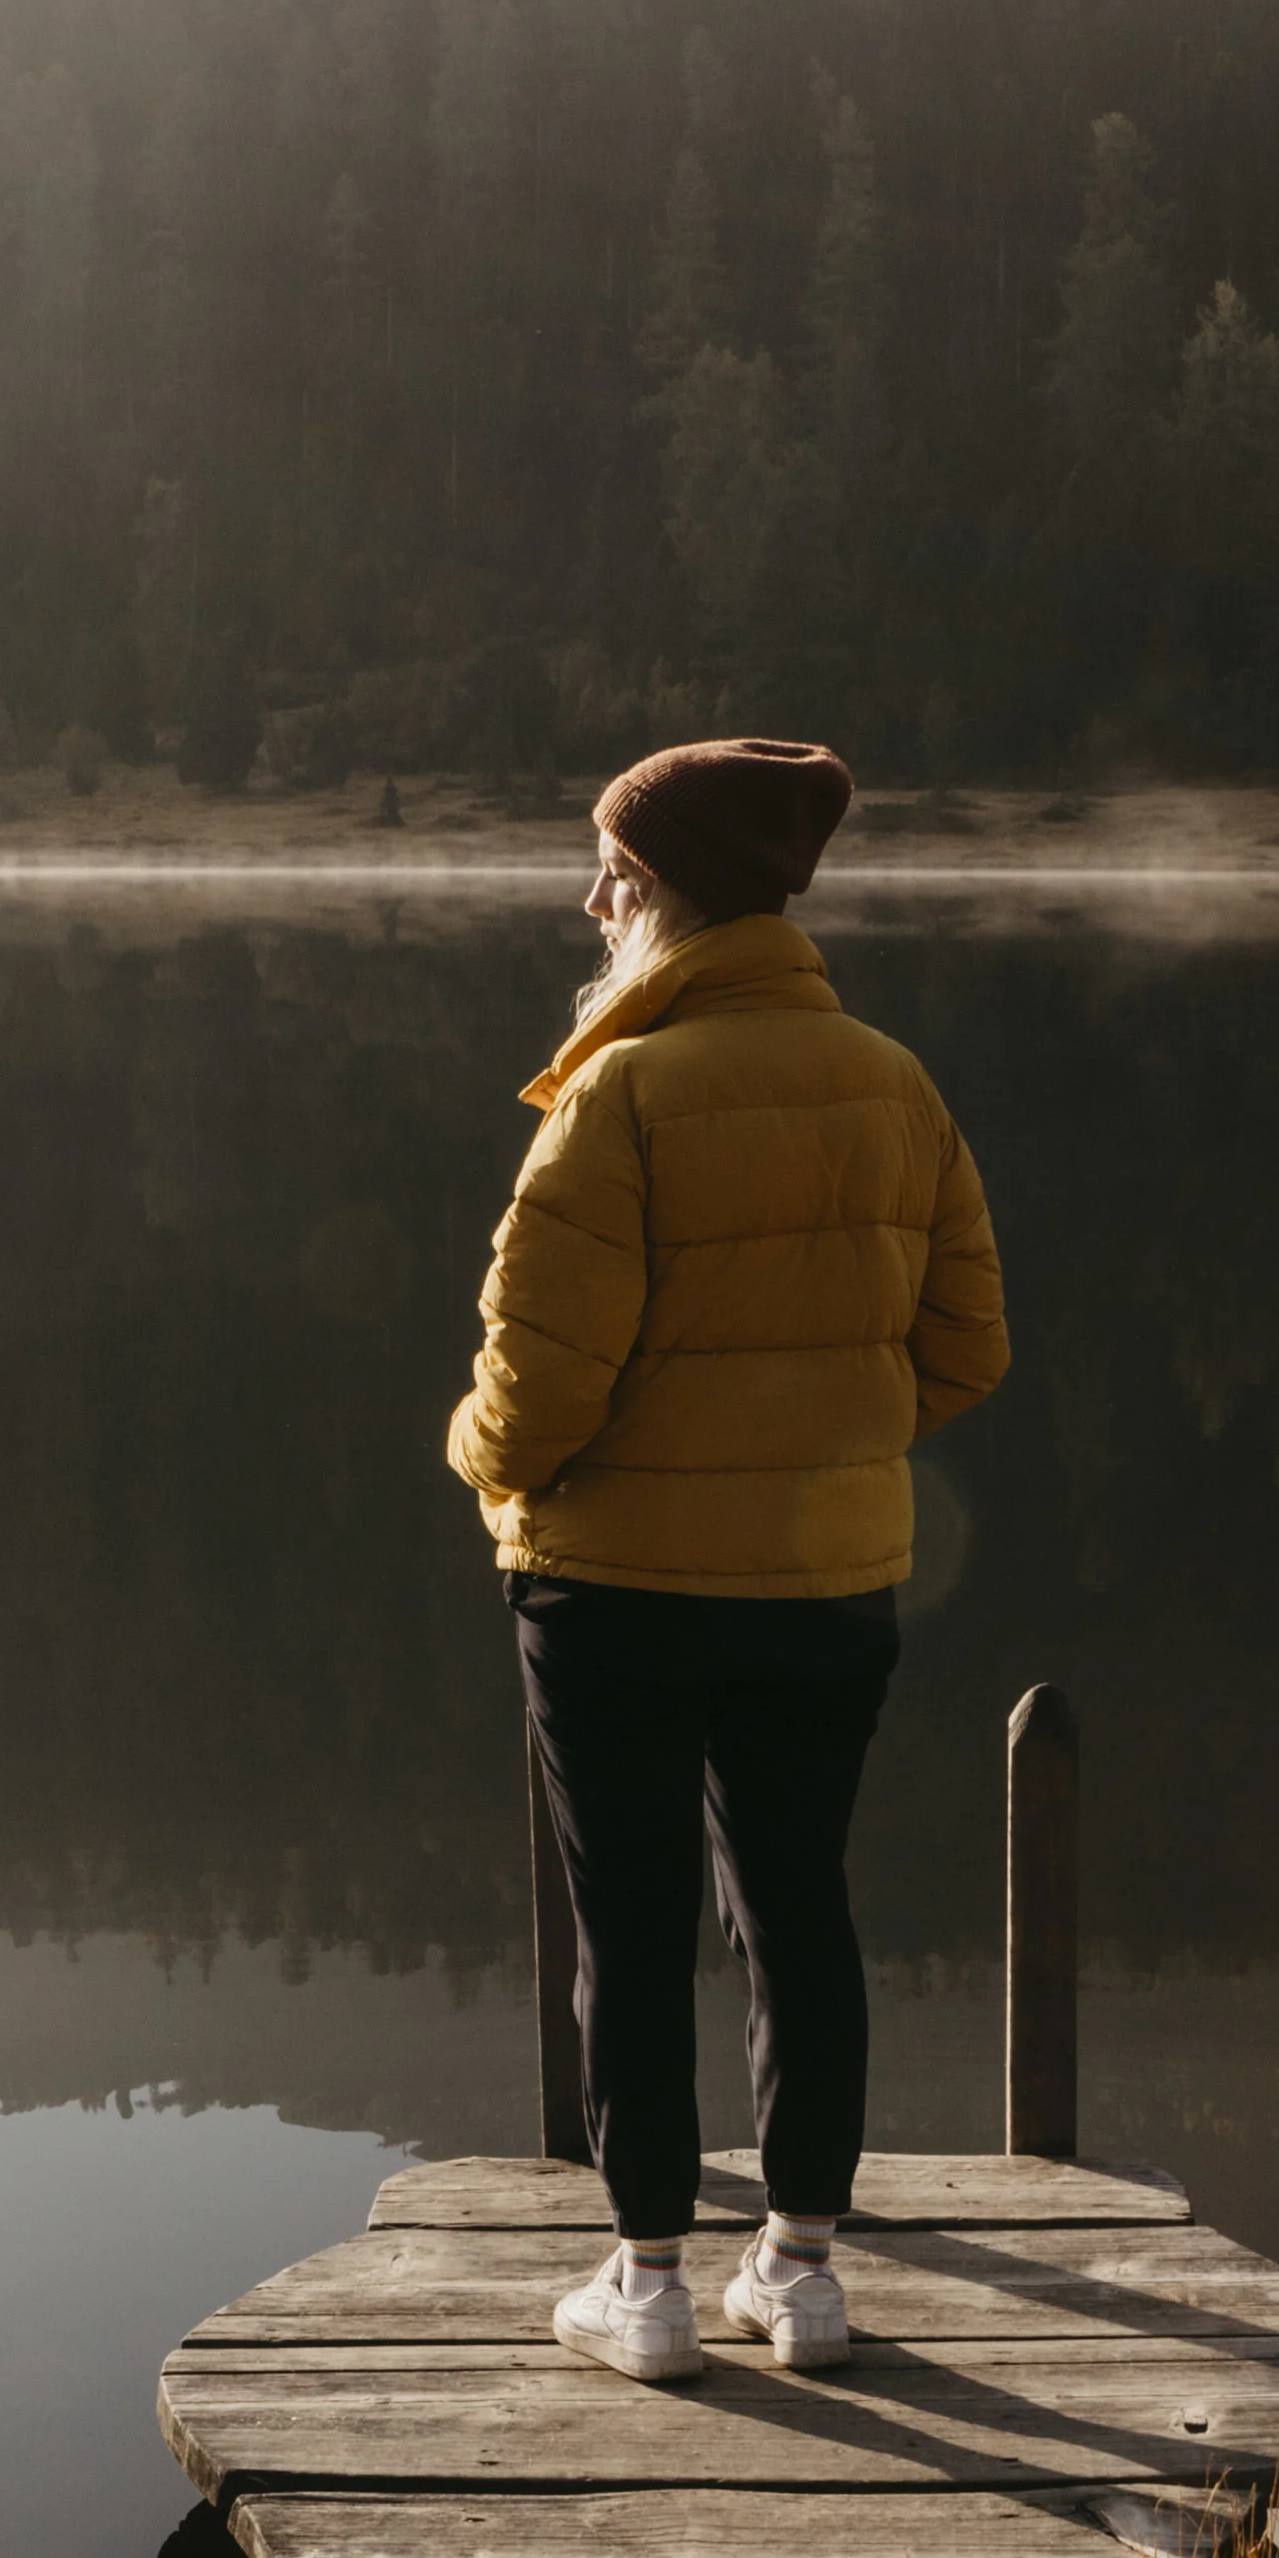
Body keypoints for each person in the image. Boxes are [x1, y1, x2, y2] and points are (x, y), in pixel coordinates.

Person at [442, 739, 1005, 2381]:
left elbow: (535, 1393)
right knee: (798, 1909)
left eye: (610, 871)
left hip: (612, 1591)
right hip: (828, 1589)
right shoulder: (893, 1083)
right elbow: (966, 1350)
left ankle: (647, 2289)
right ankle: (802, 2275)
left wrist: (473, 1459)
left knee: (630, 1927)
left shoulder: (615, 1093)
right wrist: (818, 1437)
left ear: (668, 892)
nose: (589, 900)